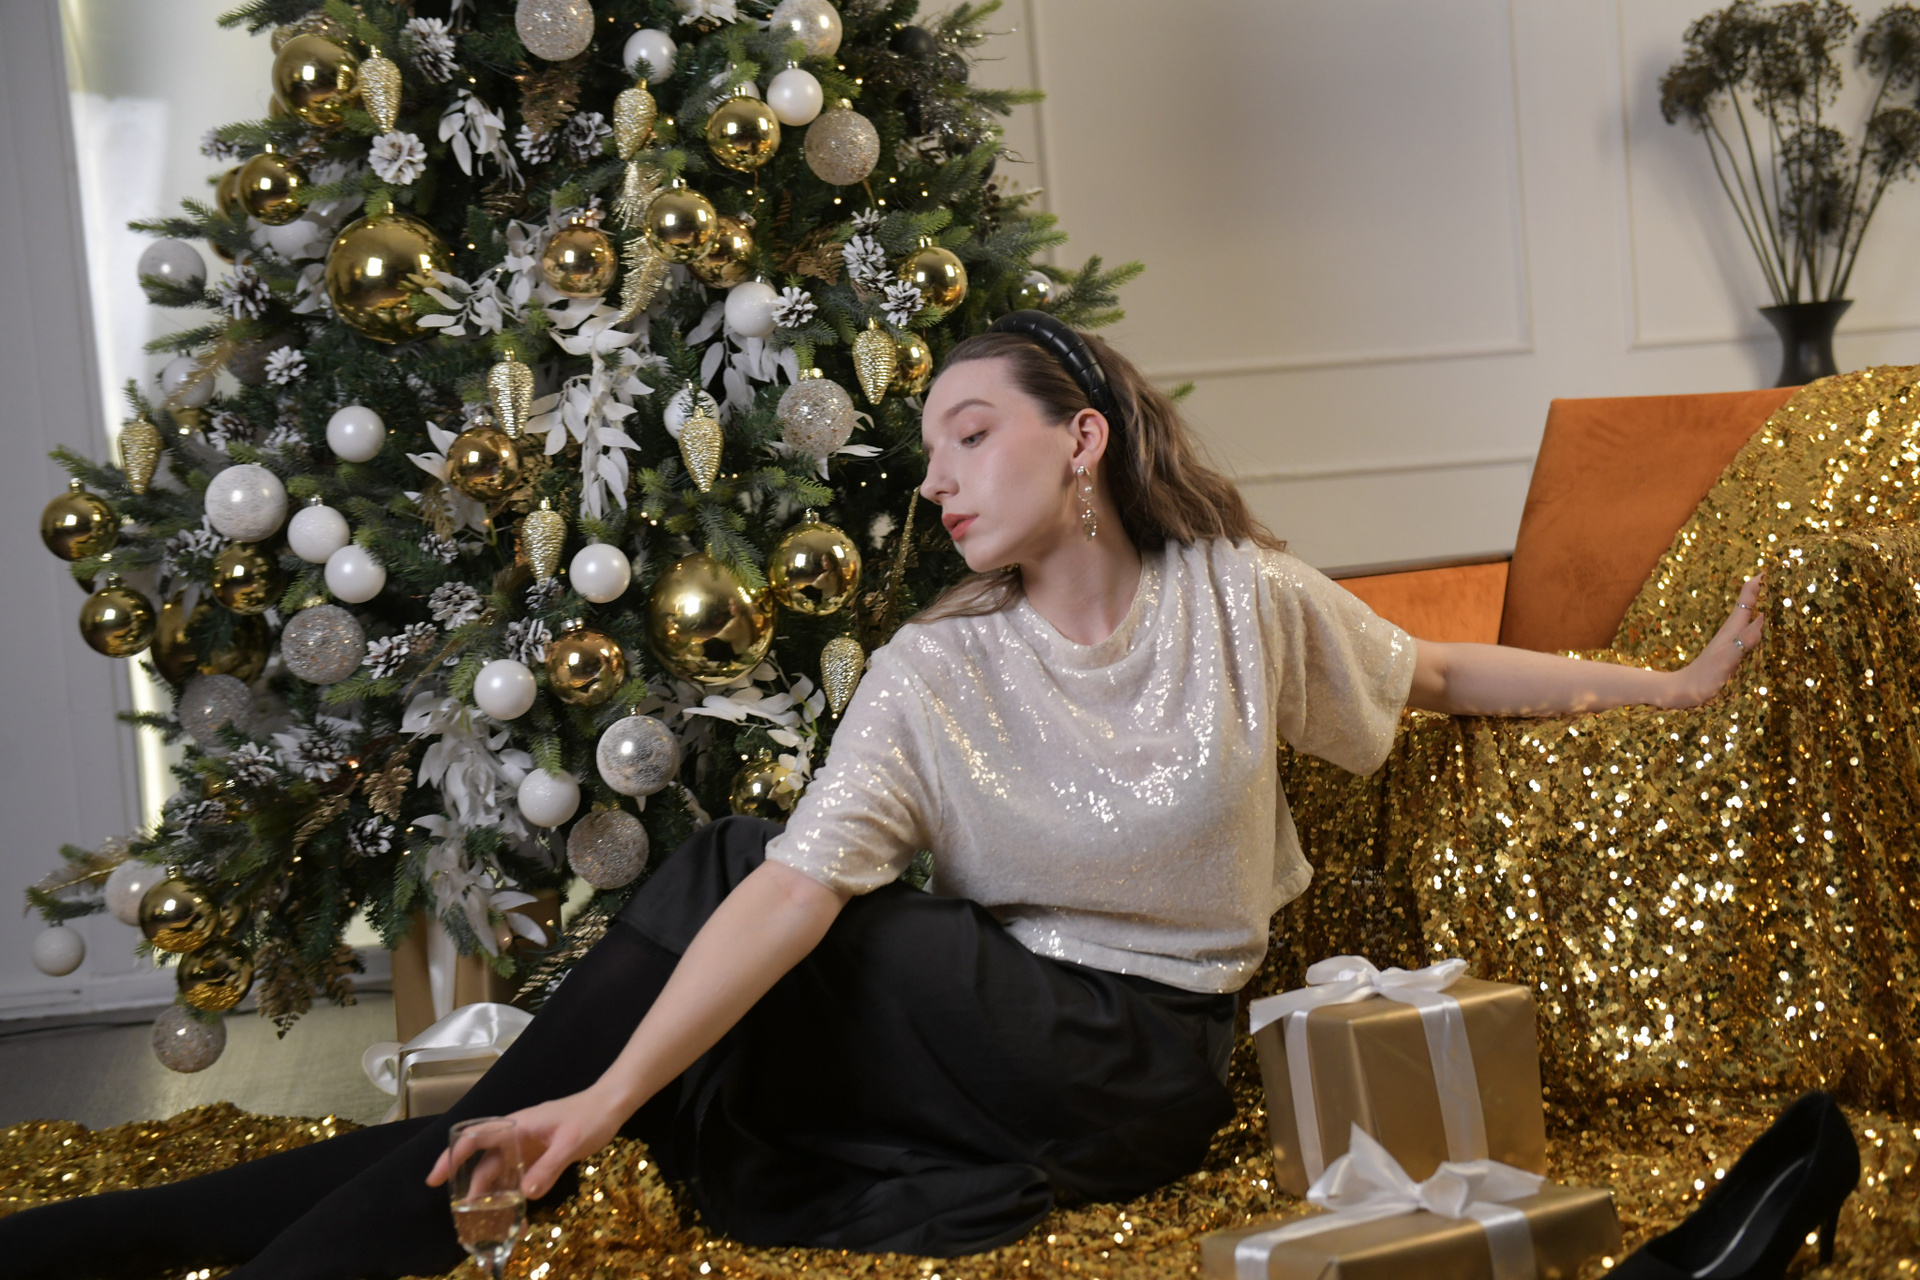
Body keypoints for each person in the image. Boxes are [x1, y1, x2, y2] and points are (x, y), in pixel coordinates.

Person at [0, 313, 1765, 1279]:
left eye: (969, 435)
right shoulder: (938, 666)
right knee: (663, 1016)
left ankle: (381, 1191)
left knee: (697, 907)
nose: (937, 482)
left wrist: (1666, 684)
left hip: (1138, 1066)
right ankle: (137, 1246)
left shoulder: (1242, 599)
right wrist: (605, 1098)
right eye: (927, 454)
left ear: (1083, 438)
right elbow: (797, 890)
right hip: (976, 1026)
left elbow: (1438, 673)